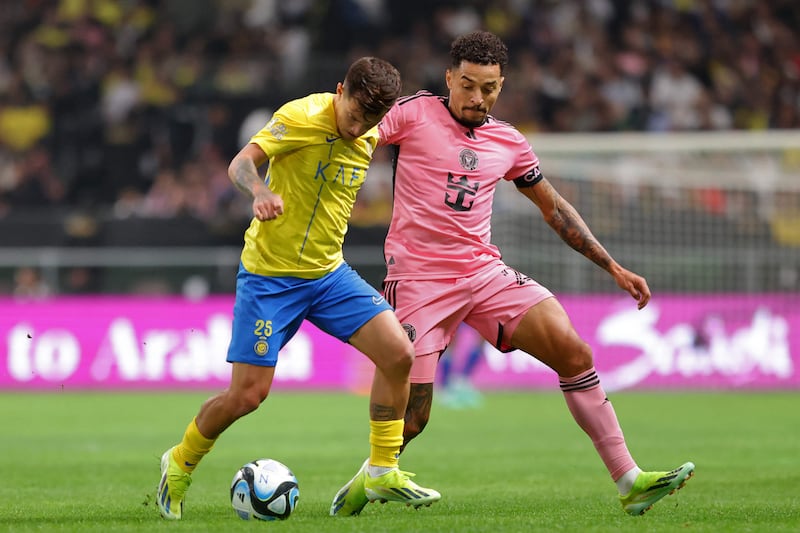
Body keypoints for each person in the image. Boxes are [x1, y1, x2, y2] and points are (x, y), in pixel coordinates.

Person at [331, 31, 694, 517]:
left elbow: (555, 209)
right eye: (467, 85)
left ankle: (630, 481)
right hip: (418, 281)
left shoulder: (509, 142)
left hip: (484, 274)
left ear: (502, 86)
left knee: (573, 350)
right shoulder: (412, 113)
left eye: (489, 88)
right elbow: (349, 126)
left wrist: (612, 266)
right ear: (449, 79)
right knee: (414, 418)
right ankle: (366, 482)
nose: (477, 97)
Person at [157, 56, 440, 520]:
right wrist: (260, 191)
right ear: (339, 90)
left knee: (399, 354)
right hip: (270, 278)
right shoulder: (301, 117)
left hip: (329, 275)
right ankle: (180, 461)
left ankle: (381, 469)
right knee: (247, 396)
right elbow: (241, 163)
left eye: (371, 119)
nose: (359, 126)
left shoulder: (371, 131)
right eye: (354, 112)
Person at [438, 323, 484, 409]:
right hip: (454, 310)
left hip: (474, 309)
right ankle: (446, 387)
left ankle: (464, 380)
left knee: (483, 337)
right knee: (451, 339)